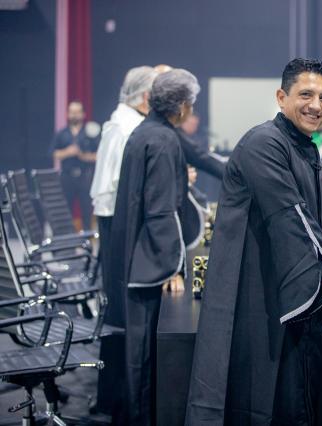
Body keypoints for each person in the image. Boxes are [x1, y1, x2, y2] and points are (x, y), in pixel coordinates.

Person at [186, 58, 322, 425]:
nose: (316, 105)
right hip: (258, 291)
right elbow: (290, 215)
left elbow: (320, 219)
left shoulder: (305, 147)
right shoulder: (264, 142)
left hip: (291, 287)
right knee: (262, 399)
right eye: (306, 95)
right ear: (281, 97)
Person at [109, 68, 200, 425]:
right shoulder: (162, 141)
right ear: (181, 107)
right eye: (191, 103)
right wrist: (171, 267)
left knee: (139, 355)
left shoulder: (148, 132)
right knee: (144, 357)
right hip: (148, 266)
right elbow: (161, 211)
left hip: (135, 259)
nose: (192, 110)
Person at [89, 65, 158, 422]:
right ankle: (117, 403)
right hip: (120, 227)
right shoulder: (132, 130)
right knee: (122, 319)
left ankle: (111, 400)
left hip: (112, 224)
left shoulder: (119, 123)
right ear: (146, 97)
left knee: (117, 318)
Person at [51, 100, 99, 229]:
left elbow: (99, 155)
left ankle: (87, 237)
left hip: (85, 176)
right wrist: (68, 152)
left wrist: (83, 156)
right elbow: (53, 153)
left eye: (77, 112)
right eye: (72, 112)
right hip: (67, 177)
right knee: (66, 210)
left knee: (87, 209)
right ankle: (68, 237)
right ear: (68, 114)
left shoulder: (90, 133)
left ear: (83, 114)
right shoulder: (62, 133)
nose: (74, 115)